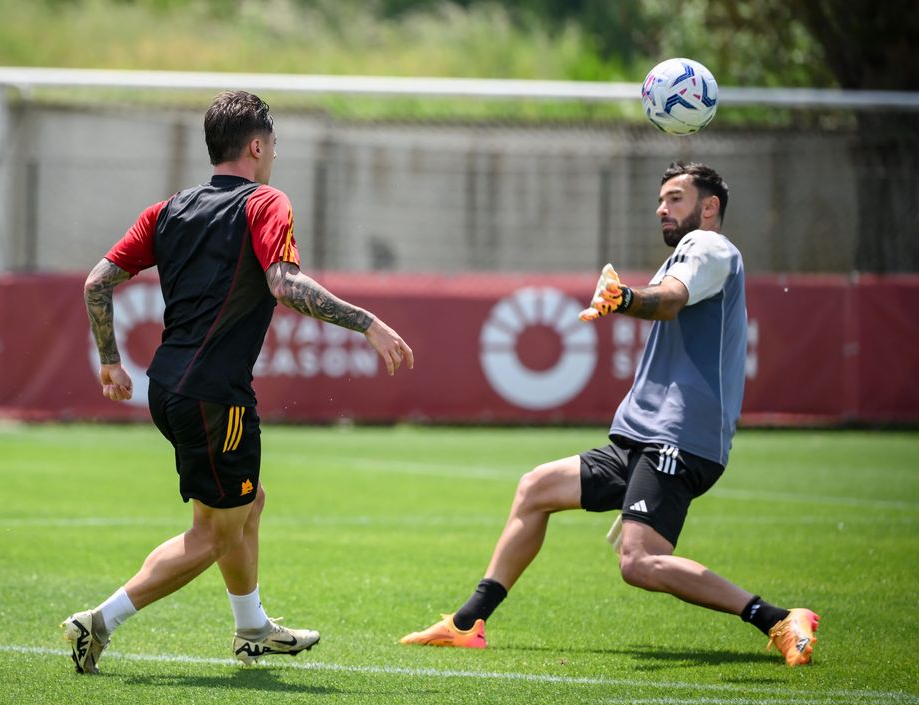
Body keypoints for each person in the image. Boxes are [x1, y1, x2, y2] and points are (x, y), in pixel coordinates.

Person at [400, 161, 819, 666]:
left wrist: (625, 298)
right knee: (536, 488)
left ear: (710, 208)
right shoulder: (688, 253)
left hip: (679, 438)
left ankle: (775, 618)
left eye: (676, 198)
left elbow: (667, 303)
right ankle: (468, 623)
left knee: (639, 563)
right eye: (661, 199)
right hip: (643, 436)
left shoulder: (710, 248)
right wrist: (629, 299)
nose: (662, 208)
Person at [62, 90, 414, 674]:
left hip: (171, 386)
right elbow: (284, 285)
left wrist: (109, 359)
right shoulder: (265, 202)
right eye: (272, 143)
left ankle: (253, 629)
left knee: (248, 503)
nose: (274, 153)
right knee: (214, 532)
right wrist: (368, 323)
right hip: (213, 394)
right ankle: (98, 623)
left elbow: (96, 283)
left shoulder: (168, 209)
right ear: (256, 146)